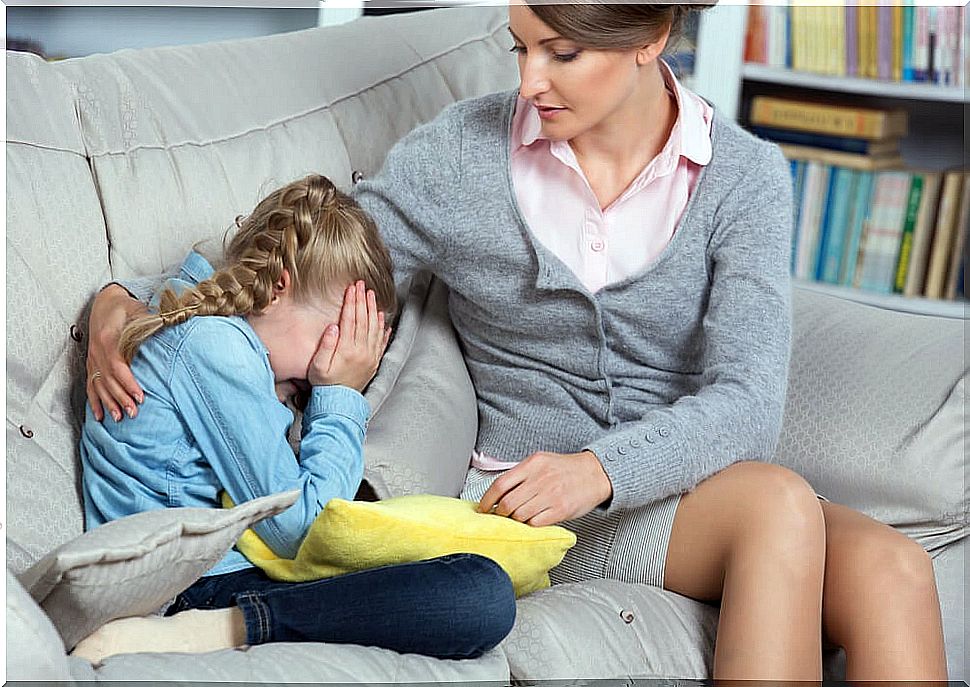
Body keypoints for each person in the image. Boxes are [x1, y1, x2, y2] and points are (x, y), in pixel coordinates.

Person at [85, 3, 948, 680]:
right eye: (520, 46)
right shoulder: (462, 158)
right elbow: (300, 263)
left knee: (897, 570)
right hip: (525, 501)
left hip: (657, 483)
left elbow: (750, 403)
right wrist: (125, 302)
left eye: (561, 52)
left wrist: (602, 469)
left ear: (651, 37)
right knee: (777, 505)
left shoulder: (747, 179)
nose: (531, 80)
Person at [73, 174, 516, 664]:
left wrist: (111, 296)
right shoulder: (218, 347)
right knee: (481, 595)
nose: (333, 362)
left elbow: (157, 293)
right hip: (196, 589)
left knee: (473, 580)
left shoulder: (194, 315)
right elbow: (302, 531)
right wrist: (340, 393)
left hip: (217, 576)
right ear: (276, 288)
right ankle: (222, 629)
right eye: (335, 339)